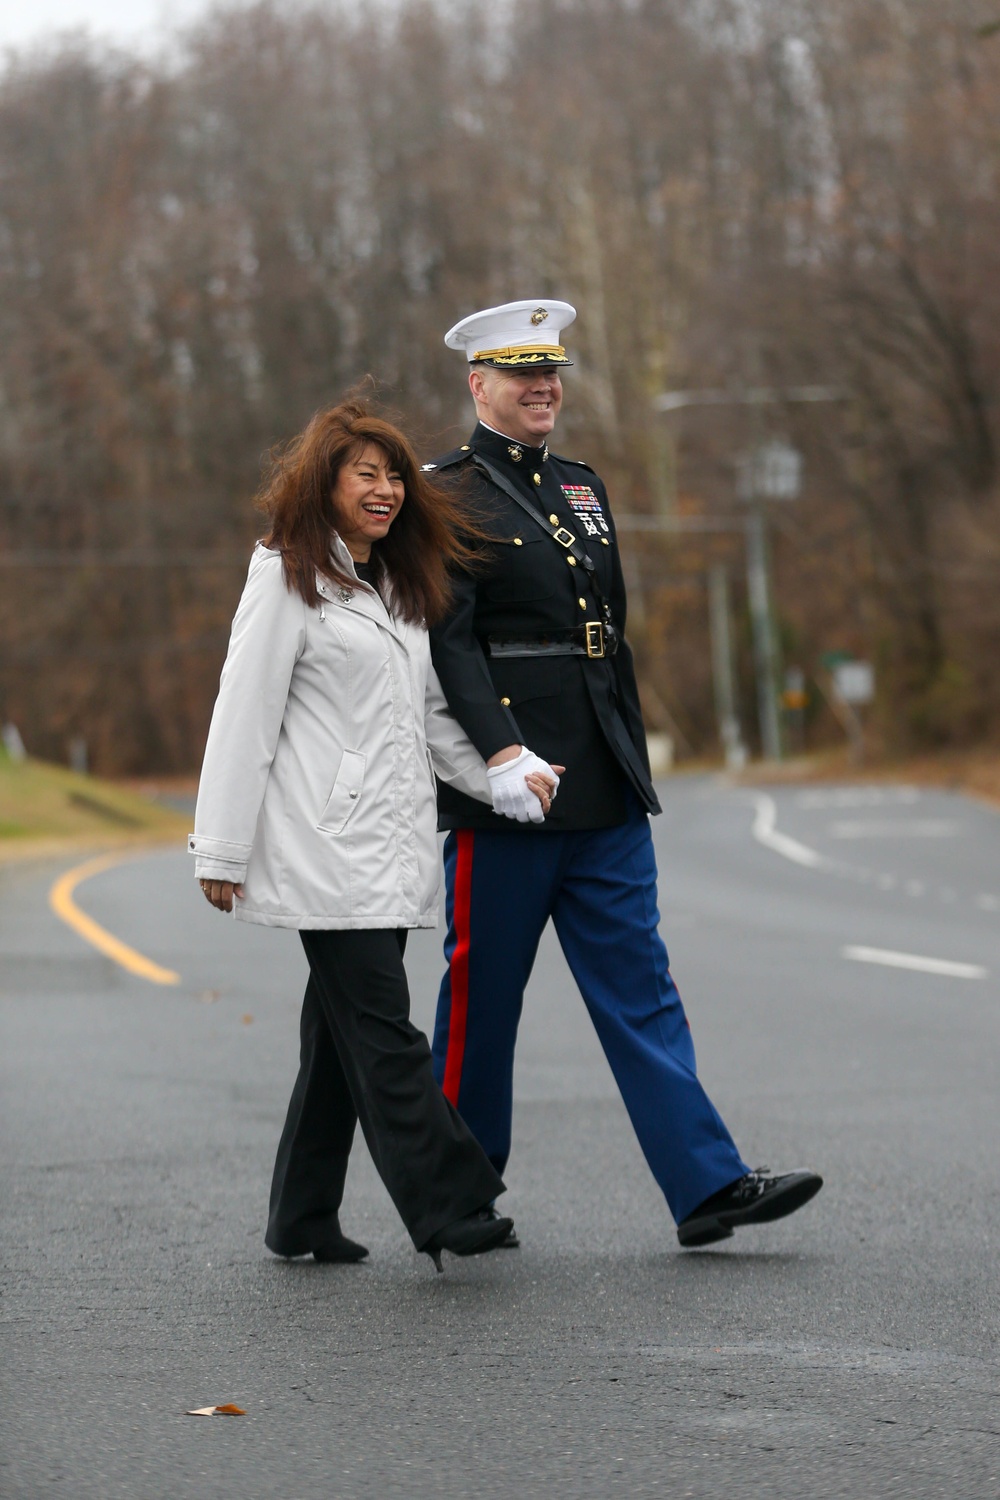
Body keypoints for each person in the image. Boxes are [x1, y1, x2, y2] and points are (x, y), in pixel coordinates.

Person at [425, 300, 823, 1249]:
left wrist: (626, 755)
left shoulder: (582, 487)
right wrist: (499, 757)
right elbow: (451, 644)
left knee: (642, 988)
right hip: (516, 785)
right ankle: (454, 1192)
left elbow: (604, 632)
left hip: (602, 774)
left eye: (550, 369)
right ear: (477, 384)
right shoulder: (445, 495)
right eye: (519, 372)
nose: (541, 385)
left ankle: (707, 1184)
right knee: (484, 999)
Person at [188, 397, 554, 1272]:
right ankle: (452, 1203)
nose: (386, 490)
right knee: (384, 1031)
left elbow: (429, 717)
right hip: (326, 849)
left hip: (389, 845)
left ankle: (301, 1217)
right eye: (366, 475)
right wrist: (221, 849)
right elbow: (244, 716)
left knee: (339, 1039)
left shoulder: (398, 585)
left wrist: (501, 776)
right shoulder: (286, 578)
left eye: (394, 476)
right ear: (326, 483)